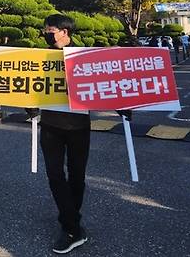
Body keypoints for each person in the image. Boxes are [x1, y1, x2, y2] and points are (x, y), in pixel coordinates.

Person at [39, 14, 132, 254]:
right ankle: (72, 226)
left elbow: (104, 83)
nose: (46, 33)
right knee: (54, 175)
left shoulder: (84, 56)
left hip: (78, 126)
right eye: (46, 29)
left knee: (77, 176)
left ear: (64, 32)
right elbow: (30, 86)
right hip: (49, 125)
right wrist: (28, 104)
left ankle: (70, 226)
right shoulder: (40, 57)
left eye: (50, 29)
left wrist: (123, 106)